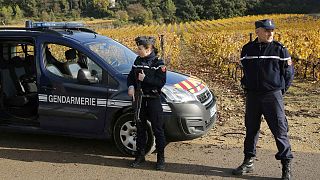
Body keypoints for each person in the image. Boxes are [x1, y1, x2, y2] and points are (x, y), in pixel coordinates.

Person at [232, 19, 294, 180]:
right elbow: (245, 71)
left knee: (279, 131)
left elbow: (288, 74)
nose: (270, 33)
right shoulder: (247, 49)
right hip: (253, 96)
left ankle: (286, 165)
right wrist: (246, 85)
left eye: (272, 30)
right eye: (266, 30)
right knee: (251, 129)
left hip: (272, 95)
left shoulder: (279, 49)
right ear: (257, 31)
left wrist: (279, 92)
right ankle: (248, 161)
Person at [127, 36, 167, 170]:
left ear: (148, 49)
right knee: (140, 128)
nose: (137, 50)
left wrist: (146, 79)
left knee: (157, 129)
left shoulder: (158, 64)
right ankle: (140, 156)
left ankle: (160, 159)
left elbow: (160, 82)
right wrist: (131, 86)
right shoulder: (137, 60)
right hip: (140, 99)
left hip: (153, 99)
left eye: (140, 48)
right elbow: (131, 76)